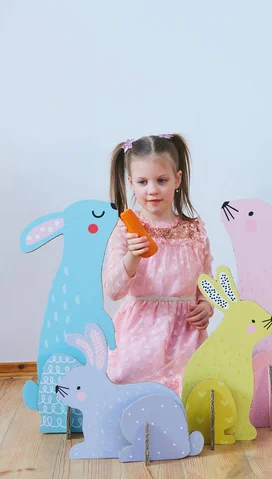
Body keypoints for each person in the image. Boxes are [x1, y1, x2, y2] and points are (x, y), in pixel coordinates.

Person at [102, 133, 213, 394]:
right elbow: (113, 290)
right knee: (132, 385)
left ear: (177, 179)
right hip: (140, 333)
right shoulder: (125, 230)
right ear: (131, 183)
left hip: (185, 332)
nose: (152, 189)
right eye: (143, 181)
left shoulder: (194, 230)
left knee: (191, 389)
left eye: (161, 180)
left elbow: (206, 281)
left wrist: (206, 306)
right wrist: (132, 256)